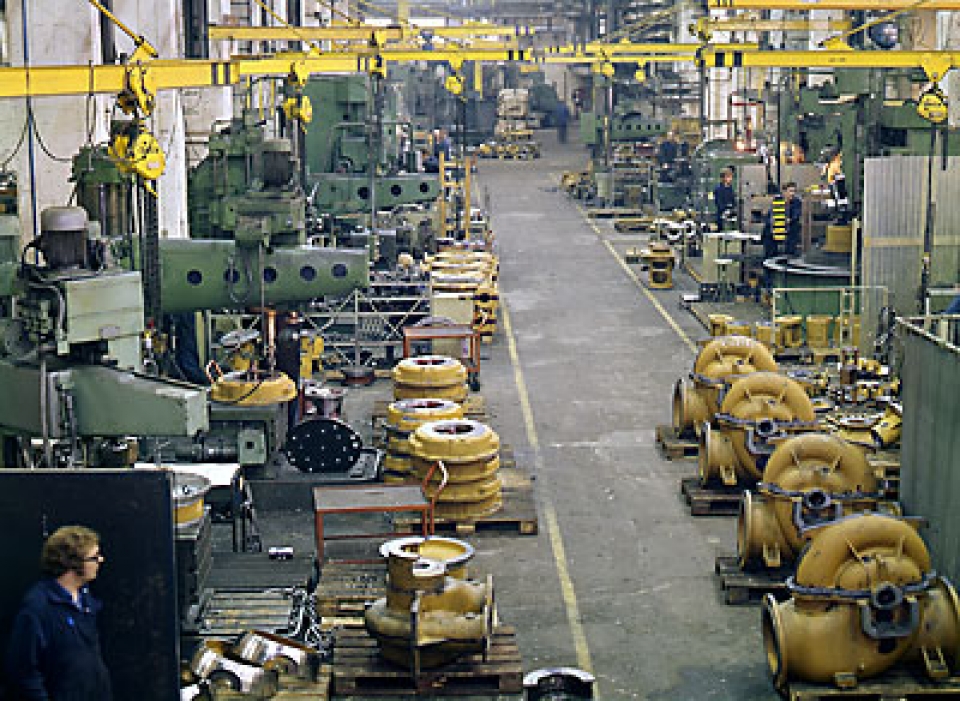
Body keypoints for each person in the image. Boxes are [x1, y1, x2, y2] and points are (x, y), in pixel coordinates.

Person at [5, 525, 112, 701]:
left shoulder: (86, 599)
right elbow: (24, 672)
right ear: (72, 563)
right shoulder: (38, 608)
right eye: (94, 557)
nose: (101, 560)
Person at [762, 181, 802, 260]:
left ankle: (789, 256)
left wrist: (788, 220)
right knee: (767, 232)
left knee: (794, 229)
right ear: (784, 192)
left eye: (794, 191)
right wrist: (771, 221)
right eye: (790, 191)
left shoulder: (796, 202)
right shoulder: (777, 200)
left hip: (789, 227)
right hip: (777, 226)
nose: (792, 193)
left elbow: (796, 215)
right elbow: (770, 214)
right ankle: (770, 257)